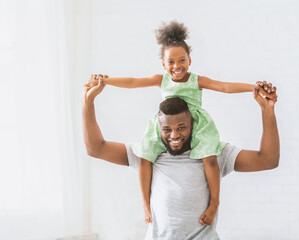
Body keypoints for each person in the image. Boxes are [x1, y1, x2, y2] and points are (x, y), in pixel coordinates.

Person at [84, 20, 276, 225]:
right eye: (172, 62)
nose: (177, 67)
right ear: (164, 65)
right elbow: (133, 82)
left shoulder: (196, 80)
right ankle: (145, 205)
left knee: (209, 158)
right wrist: (105, 81)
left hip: (196, 123)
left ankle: (214, 203)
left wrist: (253, 88)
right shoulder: (161, 80)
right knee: (144, 156)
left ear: (190, 60)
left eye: (182, 60)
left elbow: (224, 87)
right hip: (167, 119)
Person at [82, 76, 279, 239]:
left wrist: (267, 110)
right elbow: (96, 148)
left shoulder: (213, 153)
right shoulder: (149, 155)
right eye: (166, 129)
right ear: (158, 128)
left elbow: (267, 160)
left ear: (193, 124)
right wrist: (88, 102)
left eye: (182, 128)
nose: (174, 136)